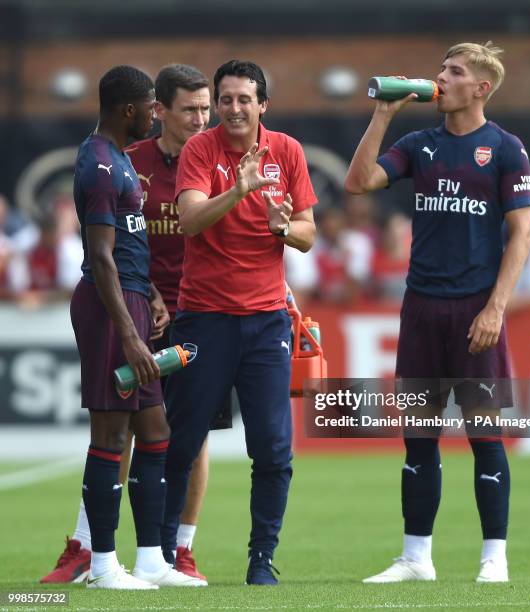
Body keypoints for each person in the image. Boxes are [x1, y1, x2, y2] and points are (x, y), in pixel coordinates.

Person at [345, 42, 530, 583]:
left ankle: (493, 558)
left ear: (481, 89)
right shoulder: (418, 144)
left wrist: (496, 307)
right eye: (441, 70)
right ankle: (415, 558)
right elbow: (359, 183)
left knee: (484, 435)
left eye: (454, 72)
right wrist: (383, 114)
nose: (440, 79)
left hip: (476, 310)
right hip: (421, 309)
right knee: (419, 436)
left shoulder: (504, 149)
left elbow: (520, 235)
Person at [40, 64, 221, 587]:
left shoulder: (117, 159)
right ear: (129, 109)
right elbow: (100, 257)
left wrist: (153, 293)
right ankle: (100, 564)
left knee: (156, 430)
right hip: (108, 309)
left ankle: (151, 560)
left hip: (138, 301)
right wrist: (129, 334)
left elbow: (128, 245)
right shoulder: (99, 166)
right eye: (149, 106)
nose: (153, 115)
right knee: (112, 434)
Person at [160, 59, 317, 585]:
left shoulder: (288, 150)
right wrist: (240, 191)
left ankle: (261, 558)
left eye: (243, 99)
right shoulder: (201, 149)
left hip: (267, 320)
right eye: (224, 99)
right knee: (182, 440)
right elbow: (189, 219)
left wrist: (284, 231)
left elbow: (308, 232)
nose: (232, 108)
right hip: (204, 319)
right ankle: (162, 556)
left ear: (262, 104)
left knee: (273, 447)